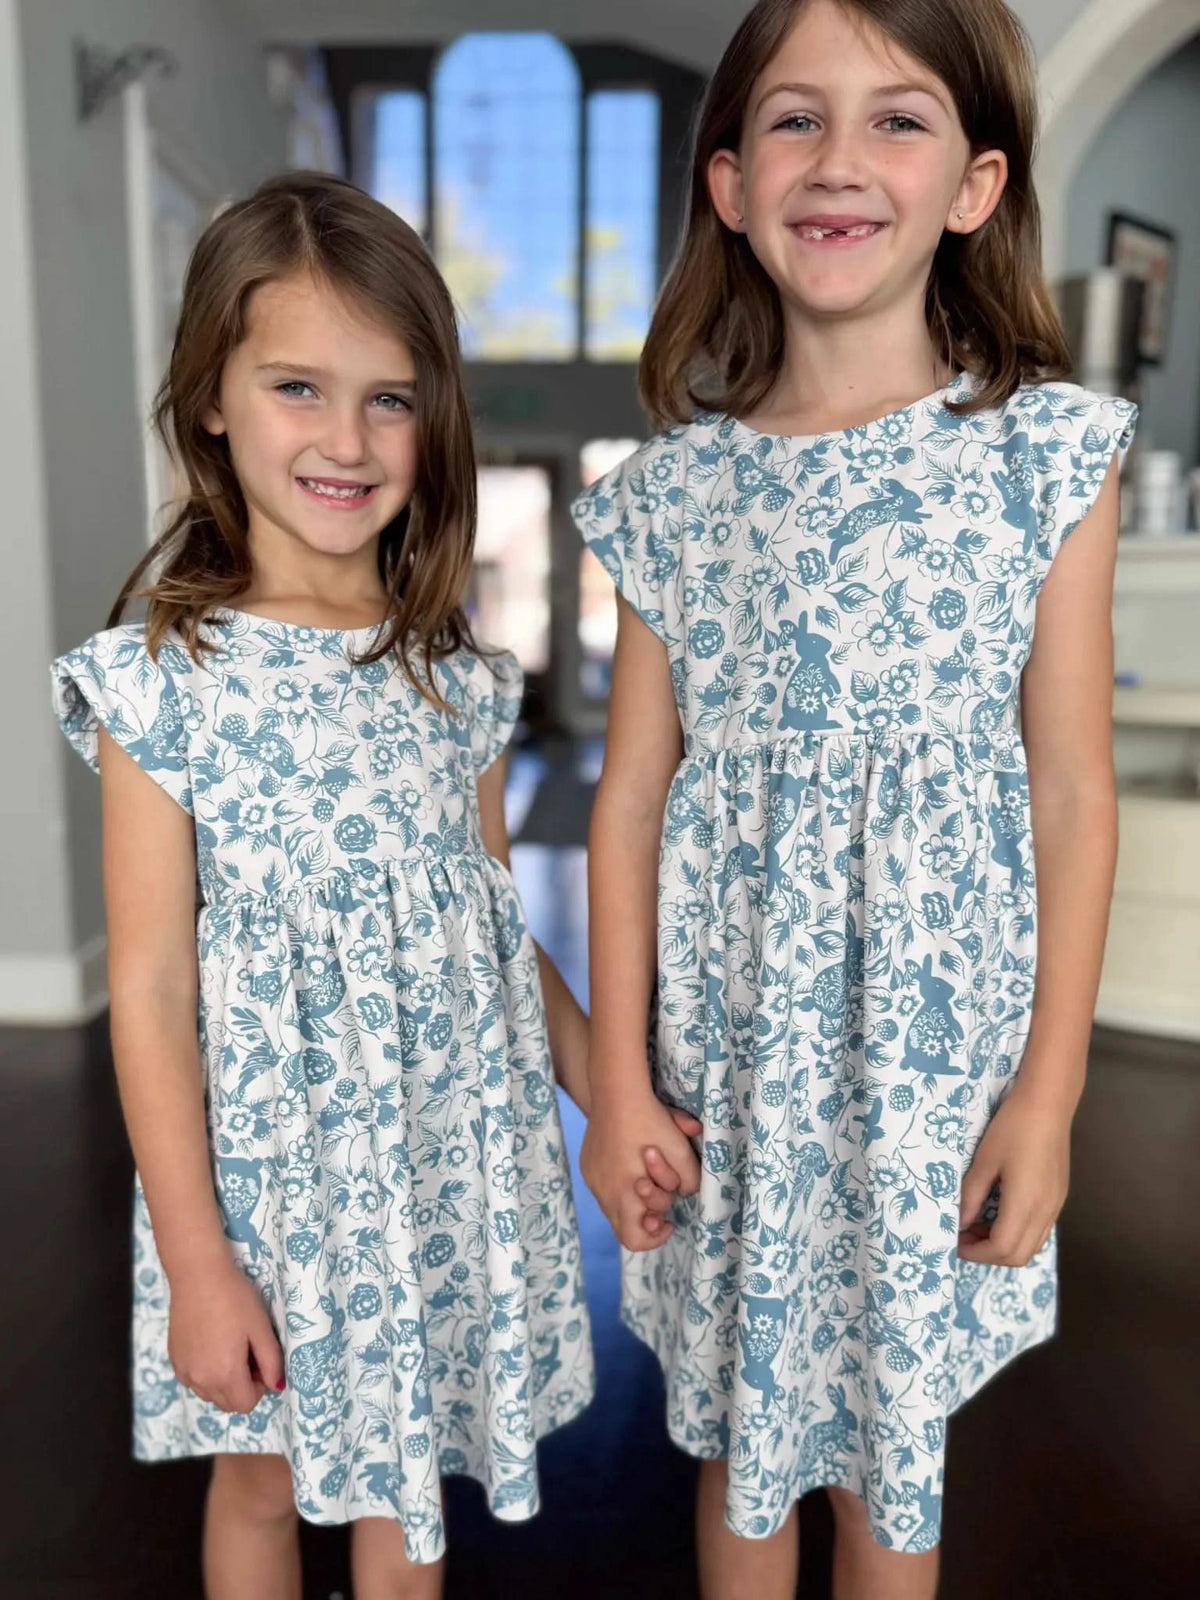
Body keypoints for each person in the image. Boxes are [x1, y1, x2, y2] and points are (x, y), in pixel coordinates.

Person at [572, 2, 1135, 1596]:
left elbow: (1075, 789)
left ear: (973, 184)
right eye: (797, 120)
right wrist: (614, 1082)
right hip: (733, 1058)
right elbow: (625, 803)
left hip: (928, 1067)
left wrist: (1050, 1091)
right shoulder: (676, 492)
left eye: (898, 120)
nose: (841, 159)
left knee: (895, 1460)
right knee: (748, 1453)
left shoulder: (1044, 457)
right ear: (734, 185)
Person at [52, 172, 593, 1600]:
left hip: (435, 1154)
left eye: (390, 398)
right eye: (299, 385)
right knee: (264, 1469)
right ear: (214, 399)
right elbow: (157, 990)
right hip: (266, 1186)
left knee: (409, 1477)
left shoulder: (456, 678)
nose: (347, 439)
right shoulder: (160, 685)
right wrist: (196, 1254)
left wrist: (609, 1093)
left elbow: (486, 920)